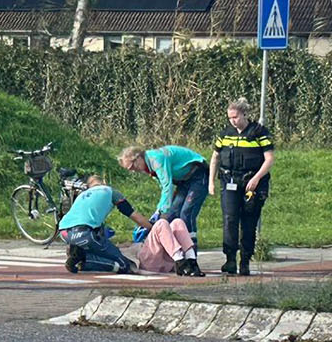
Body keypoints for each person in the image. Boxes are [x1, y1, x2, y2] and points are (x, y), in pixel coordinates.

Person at [209, 97, 275, 276]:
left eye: (235, 117)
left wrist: (256, 178)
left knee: (248, 221)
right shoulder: (225, 134)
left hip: (252, 183)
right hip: (229, 181)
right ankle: (230, 259)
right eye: (230, 118)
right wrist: (211, 182)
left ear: (244, 115)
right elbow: (215, 157)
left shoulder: (259, 132)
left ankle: (245, 260)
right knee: (230, 219)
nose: (233, 121)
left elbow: (269, 159)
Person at [118, 143, 208, 276]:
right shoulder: (149, 167)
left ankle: (191, 258)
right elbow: (165, 190)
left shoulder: (156, 159)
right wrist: (159, 212)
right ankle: (179, 258)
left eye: (132, 167)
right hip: (183, 180)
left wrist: (163, 212)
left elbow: (167, 185)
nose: (133, 171)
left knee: (186, 214)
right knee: (173, 217)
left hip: (198, 174)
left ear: (138, 158)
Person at [59, 175, 150, 274]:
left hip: (64, 232)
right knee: (125, 266)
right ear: (104, 182)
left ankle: (79, 254)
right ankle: (85, 261)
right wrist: (152, 228)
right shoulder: (110, 191)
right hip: (84, 233)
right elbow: (133, 215)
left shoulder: (82, 195)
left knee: (95, 238)